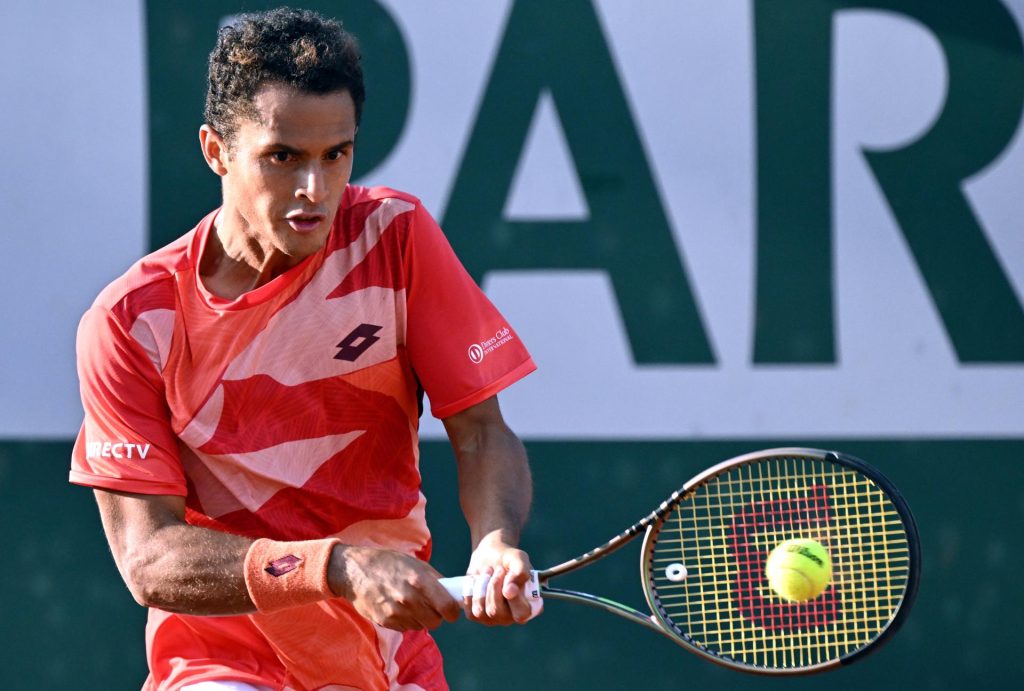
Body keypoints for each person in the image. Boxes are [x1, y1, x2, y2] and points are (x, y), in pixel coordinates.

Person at [68, 7, 537, 690]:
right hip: (222, 664)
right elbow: (150, 558)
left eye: (335, 154)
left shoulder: (394, 237)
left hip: (388, 661)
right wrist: (337, 566)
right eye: (282, 157)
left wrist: (496, 538)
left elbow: (482, 432)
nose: (314, 191)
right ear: (216, 150)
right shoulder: (131, 322)